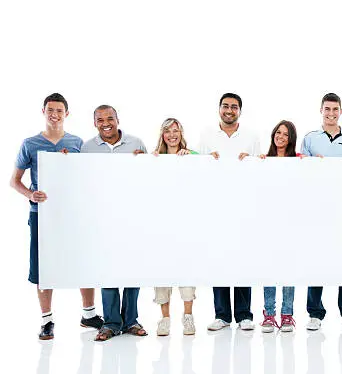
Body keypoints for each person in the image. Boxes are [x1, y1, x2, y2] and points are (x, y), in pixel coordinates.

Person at [10, 93, 103, 340]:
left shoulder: (76, 142)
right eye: (50, 110)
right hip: (42, 215)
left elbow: (85, 178)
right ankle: (47, 320)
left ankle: (88, 314)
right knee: (43, 266)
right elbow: (14, 181)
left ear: (67, 114)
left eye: (59, 111)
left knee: (82, 260)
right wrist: (31, 194)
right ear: (43, 111)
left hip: (73, 214)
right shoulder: (29, 144)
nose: (55, 115)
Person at [81, 104, 149, 341]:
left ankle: (131, 321)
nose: (105, 123)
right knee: (107, 269)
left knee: (132, 269)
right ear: (94, 123)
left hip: (132, 217)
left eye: (110, 118)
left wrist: (145, 162)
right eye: (100, 120)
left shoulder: (136, 143)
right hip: (102, 219)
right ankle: (110, 323)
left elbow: (149, 178)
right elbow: (81, 181)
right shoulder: (86, 148)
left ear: (118, 119)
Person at [199, 93, 260, 331]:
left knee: (243, 259)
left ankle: (244, 314)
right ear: (219, 109)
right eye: (225, 106)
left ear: (240, 111)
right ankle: (222, 315)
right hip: (215, 207)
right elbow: (199, 169)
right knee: (219, 258)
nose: (229, 110)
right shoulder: (206, 136)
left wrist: (251, 161)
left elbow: (259, 169)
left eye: (234, 107)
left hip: (244, 207)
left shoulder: (251, 137)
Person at [301, 92, 342, 331]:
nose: (331, 113)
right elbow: (301, 171)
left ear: (340, 111)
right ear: (321, 110)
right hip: (317, 208)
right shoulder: (310, 138)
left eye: (335, 109)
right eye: (327, 109)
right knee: (317, 259)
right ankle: (315, 313)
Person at [152, 118, 197, 336]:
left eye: (176, 130)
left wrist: (194, 158)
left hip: (186, 225)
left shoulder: (191, 156)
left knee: (186, 270)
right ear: (162, 134)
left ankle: (188, 316)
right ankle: (165, 318)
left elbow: (211, 163)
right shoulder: (154, 159)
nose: (172, 135)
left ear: (181, 133)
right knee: (162, 271)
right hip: (161, 225)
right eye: (168, 131)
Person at [258, 120, 298, 333]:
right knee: (270, 268)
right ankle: (269, 314)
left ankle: (287, 314)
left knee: (288, 270)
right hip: (269, 223)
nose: (281, 137)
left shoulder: (297, 160)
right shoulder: (265, 160)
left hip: (291, 223)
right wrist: (251, 162)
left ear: (291, 138)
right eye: (278, 132)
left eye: (285, 134)